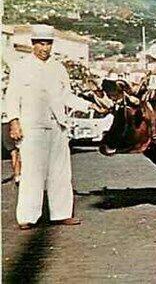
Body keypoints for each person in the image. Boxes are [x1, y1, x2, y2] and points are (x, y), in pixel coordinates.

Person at [5, 25, 99, 230]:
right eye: (40, 43)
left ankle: (61, 213)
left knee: (61, 172)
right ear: (33, 44)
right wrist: (14, 122)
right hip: (32, 127)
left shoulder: (59, 68)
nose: (44, 48)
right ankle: (27, 217)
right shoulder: (21, 68)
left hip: (57, 125)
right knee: (32, 173)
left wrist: (88, 104)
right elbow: (11, 97)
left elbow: (66, 95)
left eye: (48, 44)